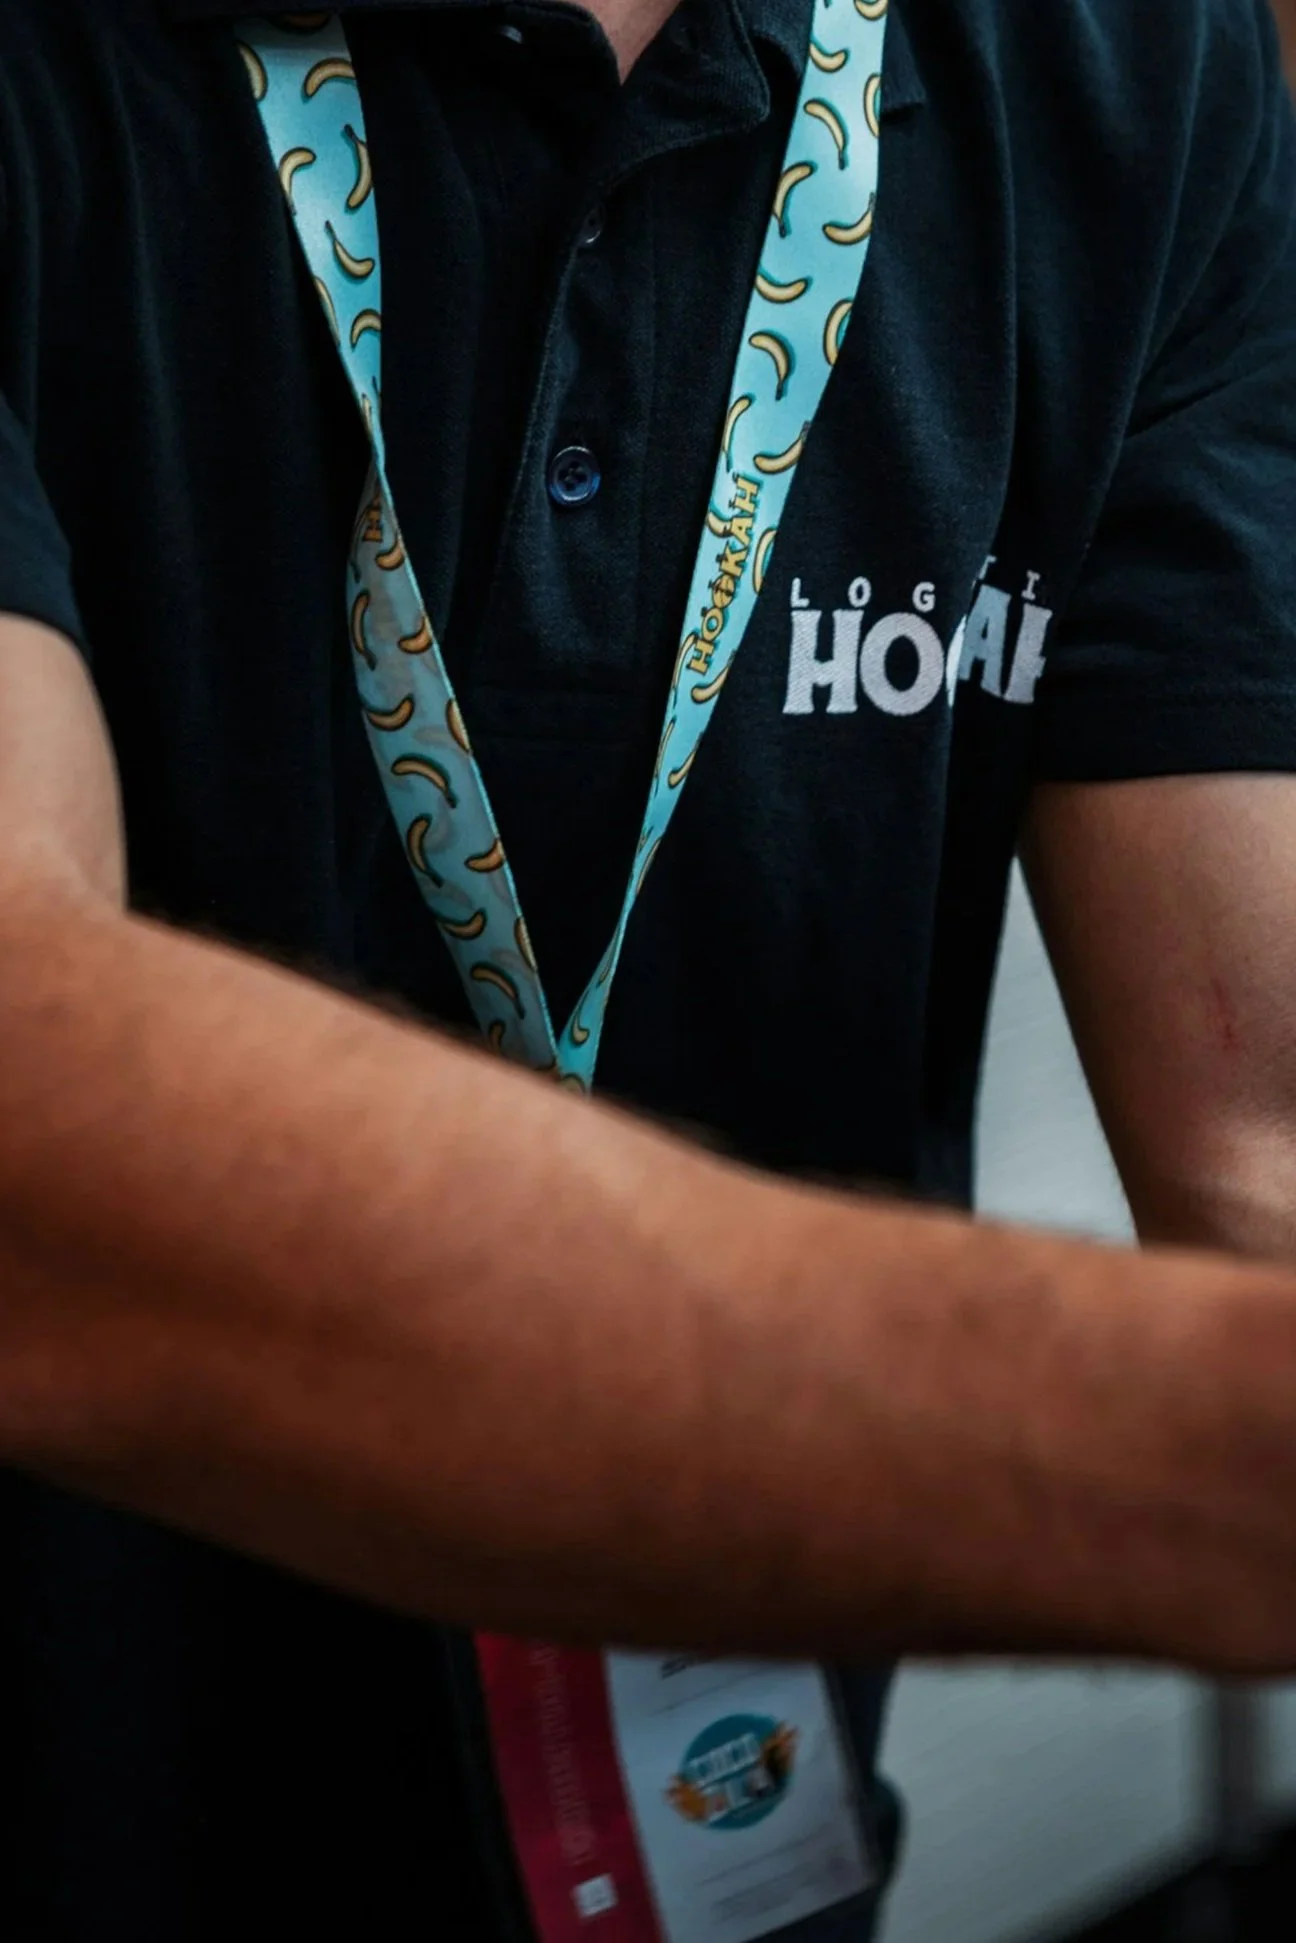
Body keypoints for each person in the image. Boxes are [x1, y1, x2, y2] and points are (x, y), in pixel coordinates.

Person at [0, 0, 1294, 1936]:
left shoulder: (1139, 60)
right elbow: (35, 1154)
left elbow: (1266, 1140)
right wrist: (1219, 1467)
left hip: (719, 1857)